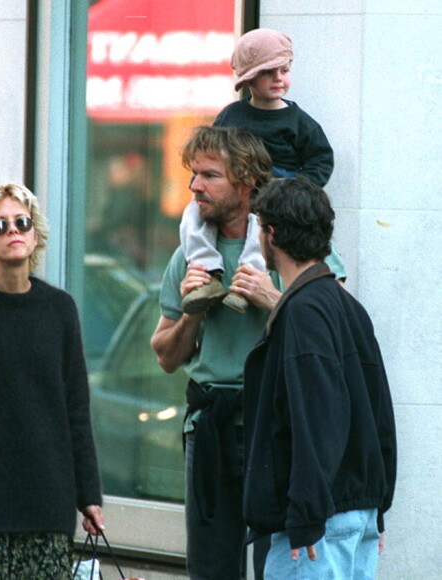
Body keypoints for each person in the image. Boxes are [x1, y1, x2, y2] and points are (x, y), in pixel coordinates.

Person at [151, 126, 344, 580]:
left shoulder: (294, 243)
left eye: (209, 176)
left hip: (277, 425)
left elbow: (337, 332)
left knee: (279, 566)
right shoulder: (191, 252)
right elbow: (164, 355)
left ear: (246, 182)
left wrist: (272, 298)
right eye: (194, 174)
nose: (195, 186)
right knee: (211, 569)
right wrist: (192, 315)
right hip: (211, 425)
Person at [0, 183, 104, 579]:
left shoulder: (59, 308)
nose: (14, 230)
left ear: (35, 233)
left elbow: (76, 407)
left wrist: (89, 495)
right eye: (1, 225)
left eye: (22, 222)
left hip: (46, 502)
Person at [244, 177, 397, 579]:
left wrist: (306, 516)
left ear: (271, 232)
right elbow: (380, 412)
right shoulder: (347, 306)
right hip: (354, 513)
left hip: (320, 529)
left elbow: (318, 417)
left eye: (258, 227)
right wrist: (378, 505)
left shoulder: (304, 311)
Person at [180, 28, 338, 314]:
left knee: (260, 229)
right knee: (191, 216)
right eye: (269, 72)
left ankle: (246, 282)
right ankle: (207, 274)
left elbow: (321, 159)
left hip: (273, 198)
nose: (279, 78)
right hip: (237, 197)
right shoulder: (231, 115)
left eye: (284, 70)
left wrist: (294, 188)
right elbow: (210, 154)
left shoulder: (299, 122)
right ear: (248, 79)